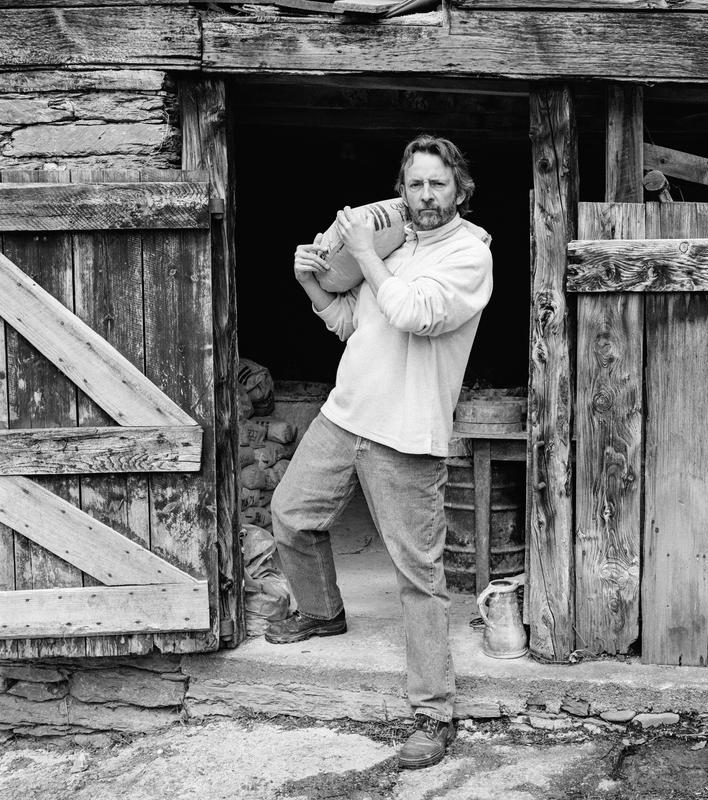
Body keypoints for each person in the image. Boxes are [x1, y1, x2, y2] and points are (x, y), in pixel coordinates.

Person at [266, 134, 493, 770]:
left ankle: (432, 712)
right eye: (415, 183)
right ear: (403, 188)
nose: (425, 195)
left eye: (438, 184)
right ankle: (322, 612)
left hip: (406, 433)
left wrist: (364, 250)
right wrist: (311, 282)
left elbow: (411, 312)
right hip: (346, 415)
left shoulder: (469, 257)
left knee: (418, 576)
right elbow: (356, 324)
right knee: (291, 516)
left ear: (460, 190)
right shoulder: (395, 244)